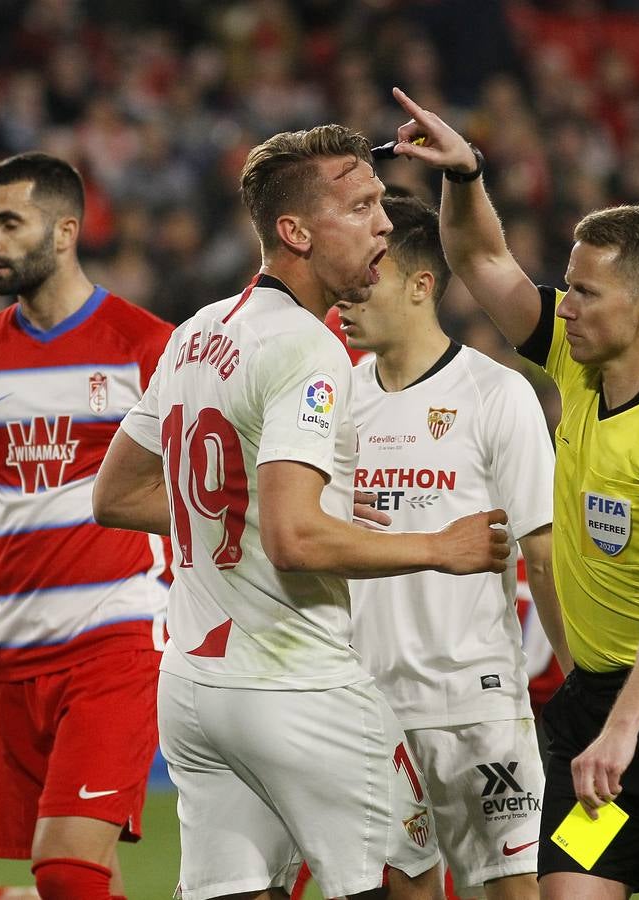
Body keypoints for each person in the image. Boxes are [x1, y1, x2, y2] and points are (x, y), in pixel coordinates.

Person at [91, 124, 510, 900]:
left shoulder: (195, 333)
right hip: (295, 684)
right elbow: (294, 537)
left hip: (192, 688)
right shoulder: (308, 350)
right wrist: (438, 546)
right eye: (358, 207)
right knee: (407, 883)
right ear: (295, 232)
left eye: (380, 203)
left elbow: (114, 495)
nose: (384, 222)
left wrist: (235, 525)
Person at [385, 88, 639, 900]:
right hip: (596, 707)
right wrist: (466, 176)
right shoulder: (576, 360)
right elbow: (482, 261)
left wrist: (625, 729)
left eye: (586, 292)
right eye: (569, 285)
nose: (566, 305)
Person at [0, 152, 174, 900]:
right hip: (19, 651)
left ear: (66, 231)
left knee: (63, 866)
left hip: (120, 640)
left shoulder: (145, 346)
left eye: (8, 222)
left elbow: (201, 492)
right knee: (87, 883)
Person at [335, 192, 572, 900]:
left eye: (364, 277)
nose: (345, 295)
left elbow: (545, 554)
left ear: (419, 284)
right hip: (366, 708)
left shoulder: (495, 394)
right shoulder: (331, 401)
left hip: (477, 704)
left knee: (513, 892)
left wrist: (579, 689)